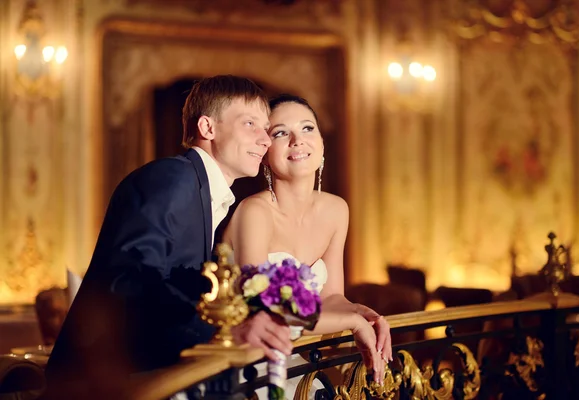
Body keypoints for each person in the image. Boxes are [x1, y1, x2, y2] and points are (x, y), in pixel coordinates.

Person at [44, 76, 293, 399]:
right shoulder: (173, 177)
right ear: (207, 128)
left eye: (267, 128)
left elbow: (176, 287)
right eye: (251, 124)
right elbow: (130, 281)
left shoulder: (201, 191)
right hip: (103, 383)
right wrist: (227, 332)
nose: (265, 140)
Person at [223, 94, 392, 397]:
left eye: (307, 128)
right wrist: (352, 323)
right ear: (264, 150)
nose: (297, 141)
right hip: (244, 366)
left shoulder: (336, 209)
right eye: (280, 132)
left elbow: (329, 298)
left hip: (292, 363)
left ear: (322, 145)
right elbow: (266, 310)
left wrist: (365, 314)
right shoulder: (254, 212)